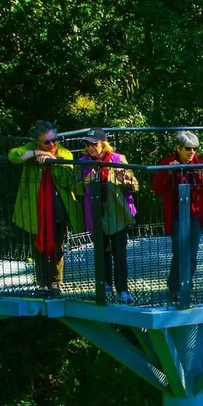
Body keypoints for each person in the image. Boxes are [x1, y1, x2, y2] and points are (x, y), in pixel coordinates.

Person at [8, 120, 83, 295]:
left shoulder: (64, 153)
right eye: (47, 142)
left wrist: (53, 161)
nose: (52, 144)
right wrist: (36, 153)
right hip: (36, 207)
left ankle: (56, 282)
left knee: (58, 243)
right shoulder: (31, 148)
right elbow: (13, 156)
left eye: (54, 140)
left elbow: (69, 180)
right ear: (37, 141)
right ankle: (42, 282)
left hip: (58, 206)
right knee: (38, 243)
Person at [150, 131, 203, 303]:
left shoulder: (200, 163)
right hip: (177, 216)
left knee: (192, 254)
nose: (192, 152)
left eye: (194, 148)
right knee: (179, 253)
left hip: (195, 215)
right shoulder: (167, 164)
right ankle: (175, 286)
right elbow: (157, 188)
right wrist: (169, 173)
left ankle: (187, 286)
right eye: (188, 148)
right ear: (178, 148)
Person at [78, 128, 138, 303]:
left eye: (94, 144)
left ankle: (123, 290)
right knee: (100, 253)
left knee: (119, 253)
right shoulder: (83, 163)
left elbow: (135, 186)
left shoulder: (118, 159)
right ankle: (104, 286)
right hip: (96, 214)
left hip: (117, 214)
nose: (91, 148)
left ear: (103, 143)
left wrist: (123, 180)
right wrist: (86, 180)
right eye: (87, 145)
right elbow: (75, 189)